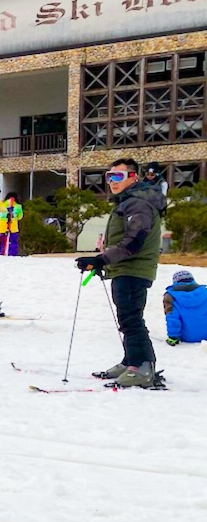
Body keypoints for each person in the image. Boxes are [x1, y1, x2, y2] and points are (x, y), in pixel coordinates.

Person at [76, 157, 165, 387]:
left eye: (118, 177)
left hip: (133, 270)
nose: (112, 181)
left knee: (131, 318)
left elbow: (134, 241)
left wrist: (101, 260)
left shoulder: (138, 203)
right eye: (109, 177)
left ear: (133, 177)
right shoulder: (128, 202)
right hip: (125, 268)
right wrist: (104, 262)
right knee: (127, 318)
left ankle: (143, 367)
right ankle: (132, 361)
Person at [163, 270, 207, 346]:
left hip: (187, 337)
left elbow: (173, 319)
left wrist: (173, 337)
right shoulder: (205, 292)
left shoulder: (171, 297)